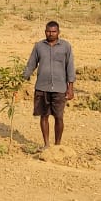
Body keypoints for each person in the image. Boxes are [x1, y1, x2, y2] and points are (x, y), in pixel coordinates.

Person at [22, 21, 75, 149]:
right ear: (45, 31)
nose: (50, 34)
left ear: (58, 32)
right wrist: (21, 78)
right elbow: (31, 64)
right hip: (42, 87)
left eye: (53, 31)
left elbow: (70, 67)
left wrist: (70, 87)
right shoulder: (39, 46)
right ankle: (46, 144)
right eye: (48, 31)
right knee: (43, 116)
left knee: (59, 117)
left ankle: (57, 144)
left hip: (59, 88)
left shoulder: (66, 46)